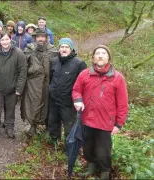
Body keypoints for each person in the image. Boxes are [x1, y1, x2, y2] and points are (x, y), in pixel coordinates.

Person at [72, 45, 128, 180]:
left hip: (106, 123)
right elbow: (76, 90)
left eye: (104, 53)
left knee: (104, 151)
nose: (101, 56)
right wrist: (78, 100)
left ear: (108, 57)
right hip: (87, 120)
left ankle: (104, 174)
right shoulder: (84, 74)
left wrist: (119, 124)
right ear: (93, 58)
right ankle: (90, 170)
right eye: (98, 53)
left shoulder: (117, 77)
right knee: (88, 147)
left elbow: (123, 103)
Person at [0, 32, 27, 139]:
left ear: (10, 39)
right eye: (2, 40)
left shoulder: (18, 53)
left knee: (10, 110)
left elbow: (23, 72)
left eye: (6, 39)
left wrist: (19, 88)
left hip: (12, 89)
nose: (5, 42)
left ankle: (9, 128)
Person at [47, 38, 87, 143]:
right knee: (53, 124)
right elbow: (50, 78)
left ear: (71, 49)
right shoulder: (53, 61)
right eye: (62, 47)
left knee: (69, 127)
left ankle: (69, 147)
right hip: (54, 100)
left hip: (68, 102)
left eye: (67, 47)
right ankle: (54, 143)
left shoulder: (79, 63)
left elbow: (83, 85)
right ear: (59, 48)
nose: (64, 49)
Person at [20, 28, 58, 137]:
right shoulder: (29, 49)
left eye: (43, 37)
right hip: (33, 83)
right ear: (35, 38)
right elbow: (22, 65)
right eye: (38, 37)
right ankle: (33, 126)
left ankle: (48, 127)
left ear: (46, 38)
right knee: (33, 105)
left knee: (48, 105)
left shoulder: (53, 51)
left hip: (47, 83)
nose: (40, 39)